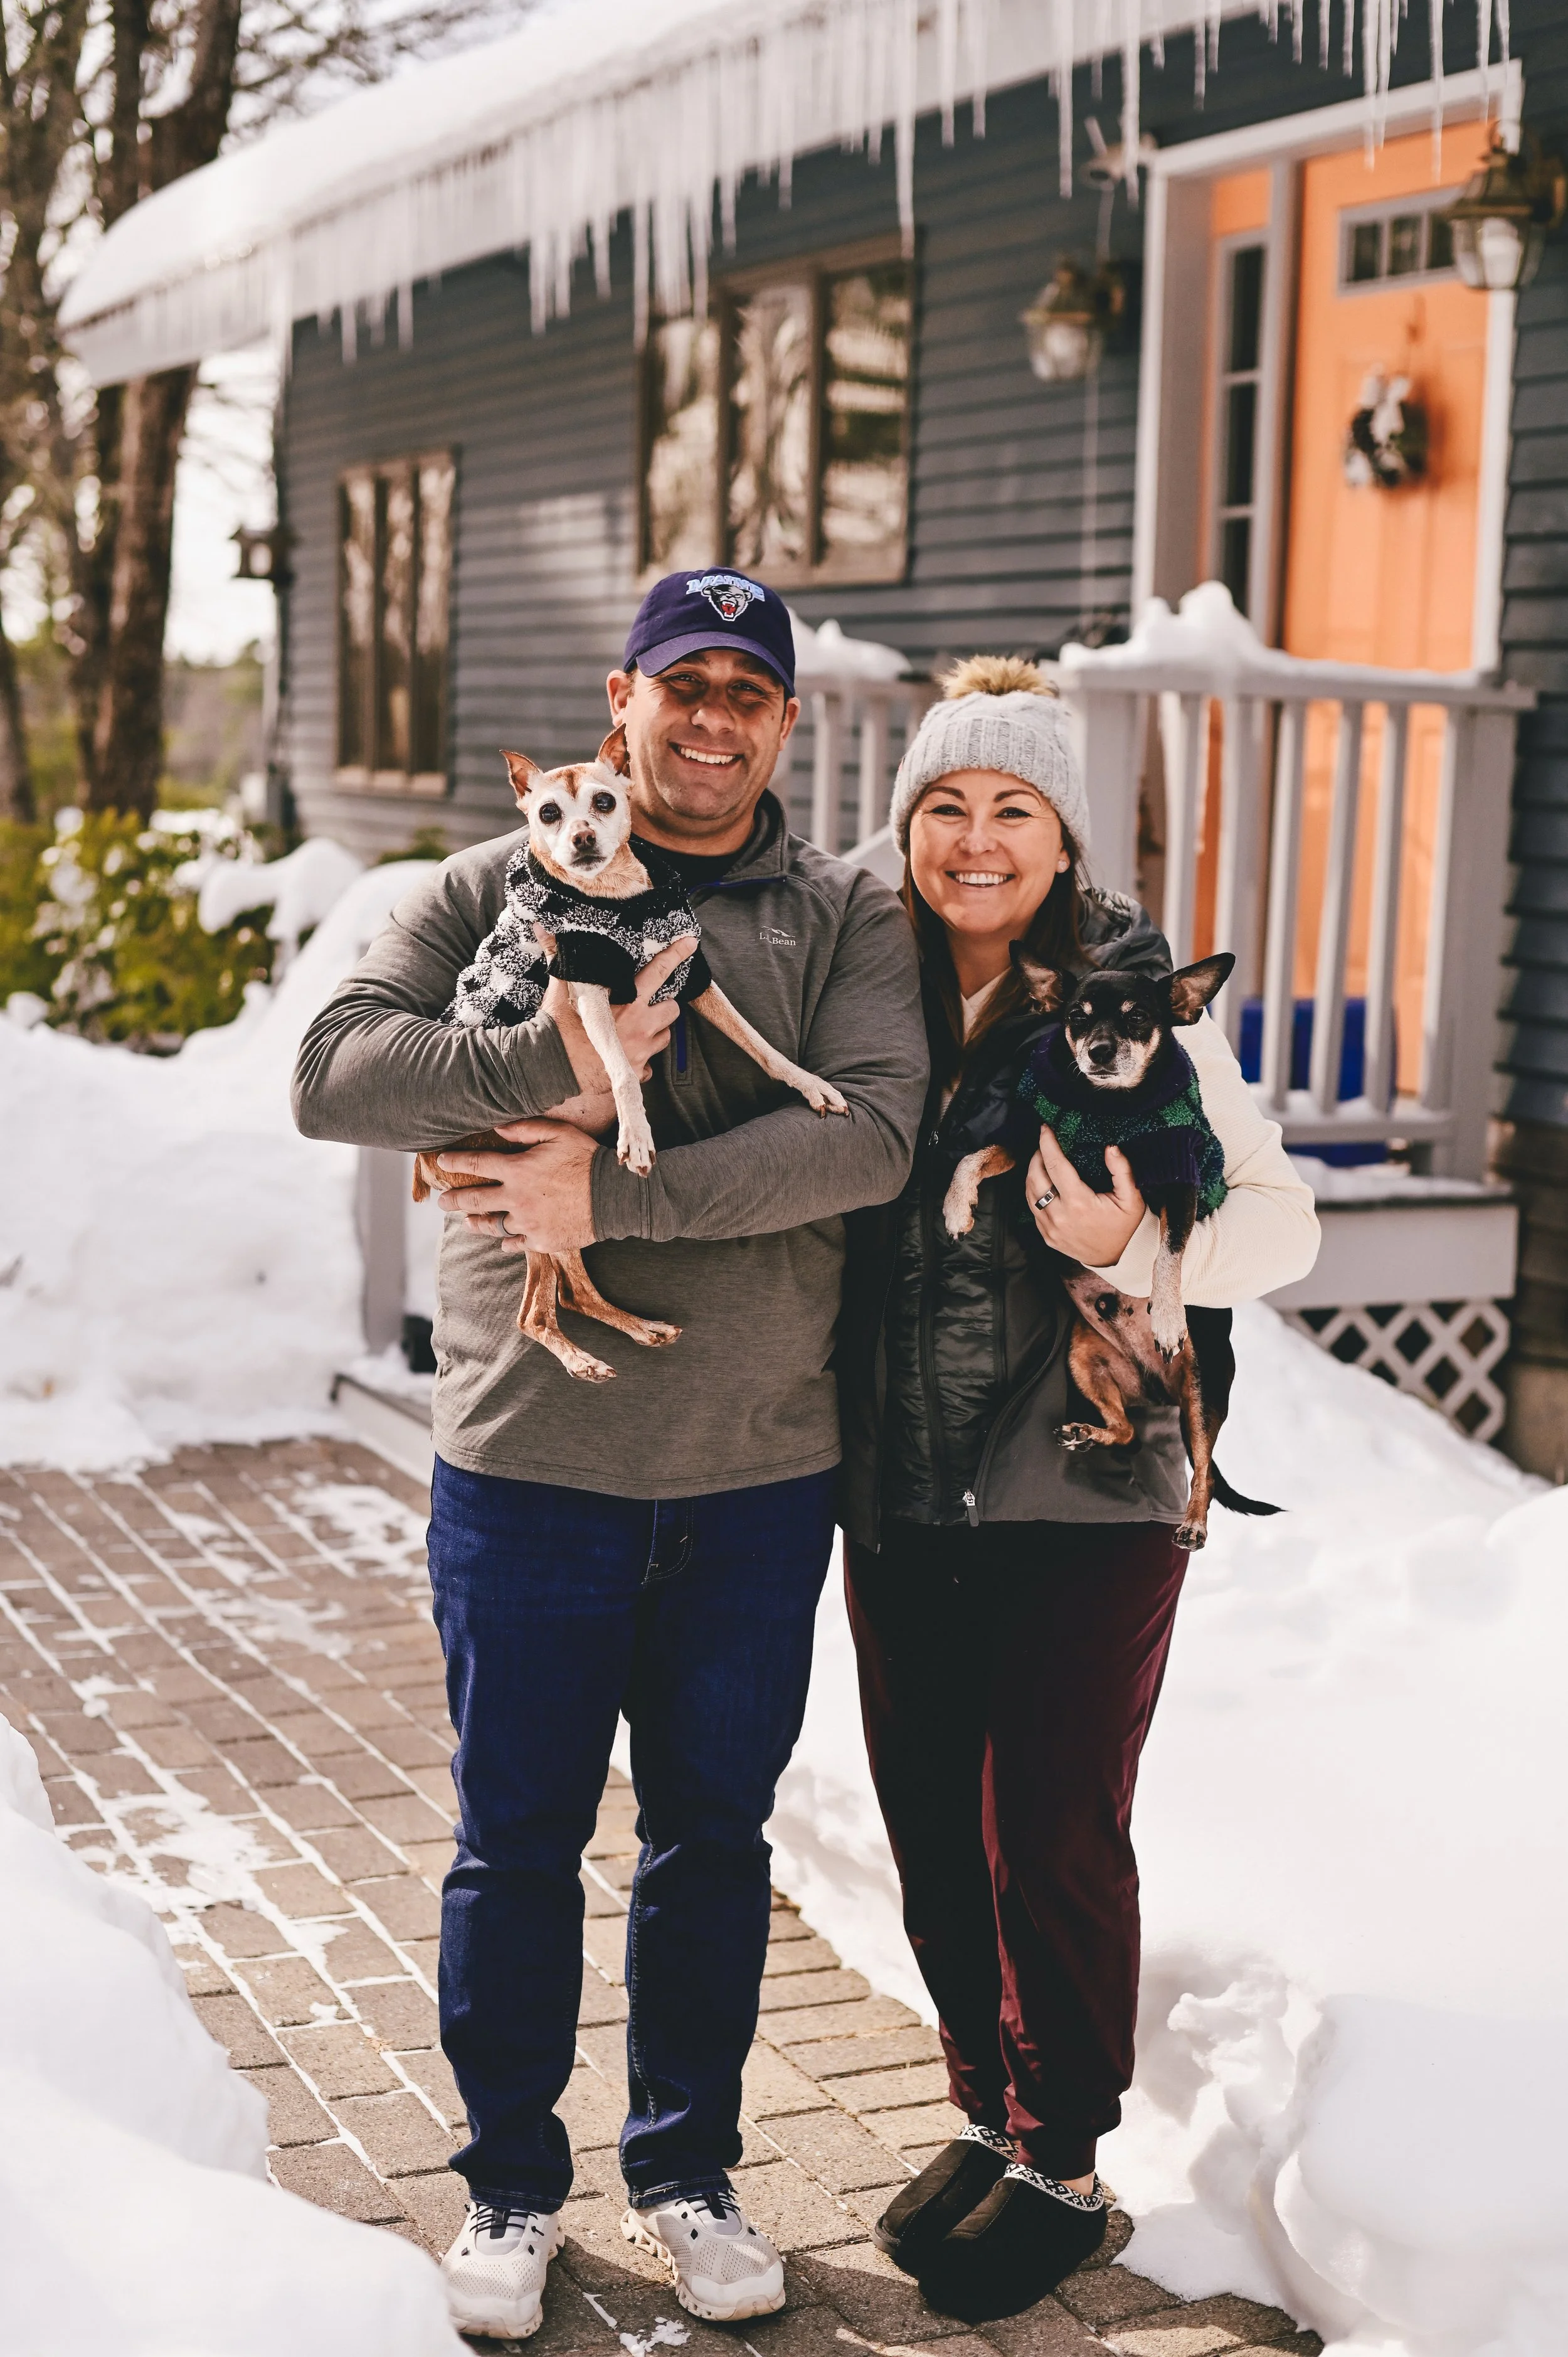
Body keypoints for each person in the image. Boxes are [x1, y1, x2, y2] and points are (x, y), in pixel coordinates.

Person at [291, 570, 928, 2341]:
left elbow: (867, 1139)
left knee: (712, 1840)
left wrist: (607, 1181)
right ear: (617, 705)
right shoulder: (482, 890)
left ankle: (689, 2173)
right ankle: (507, 2187)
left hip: (750, 1467)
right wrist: (539, 1061)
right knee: (513, 1839)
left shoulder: (837, 914)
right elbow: (336, 1073)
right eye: (681, 687)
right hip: (529, 1459)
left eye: (747, 692)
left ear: (784, 722)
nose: (711, 719)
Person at [835, 657, 1319, 2324]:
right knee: (925, 1825)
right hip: (902, 1485)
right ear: (909, 831)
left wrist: (1144, 1246)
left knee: (1044, 1821)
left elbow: (1285, 1220)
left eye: (1012, 810)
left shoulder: (1128, 996)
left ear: (1061, 836)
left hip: (1092, 1483)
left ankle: (1063, 2155)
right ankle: (985, 2105)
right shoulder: (869, 987)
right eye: (944, 808)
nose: (974, 840)